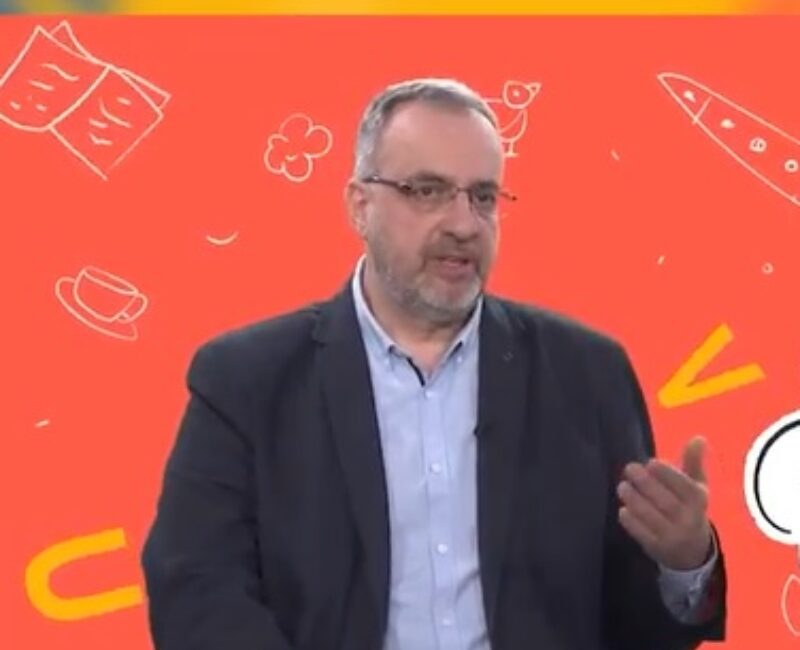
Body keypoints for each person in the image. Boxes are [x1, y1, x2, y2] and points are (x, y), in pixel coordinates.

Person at [140, 77, 727, 650]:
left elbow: (633, 625)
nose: (464, 224)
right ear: (360, 206)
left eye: (483, 197)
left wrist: (683, 564)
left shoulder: (588, 375)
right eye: (427, 191)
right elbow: (195, 591)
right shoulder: (246, 381)